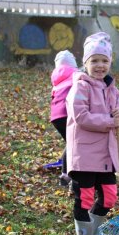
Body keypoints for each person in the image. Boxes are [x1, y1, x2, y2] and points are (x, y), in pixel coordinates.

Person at [66, 32, 119, 235]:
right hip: (84, 155)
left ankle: (94, 230)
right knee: (85, 197)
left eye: (104, 60)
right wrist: (110, 121)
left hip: (106, 154)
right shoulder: (80, 87)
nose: (100, 65)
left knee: (110, 195)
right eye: (94, 61)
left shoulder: (111, 88)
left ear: (110, 62)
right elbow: (81, 116)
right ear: (85, 63)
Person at [48, 50, 78, 186]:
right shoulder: (77, 74)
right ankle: (66, 176)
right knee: (73, 143)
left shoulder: (55, 78)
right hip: (68, 113)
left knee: (70, 142)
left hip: (55, 116)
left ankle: (65, 168)